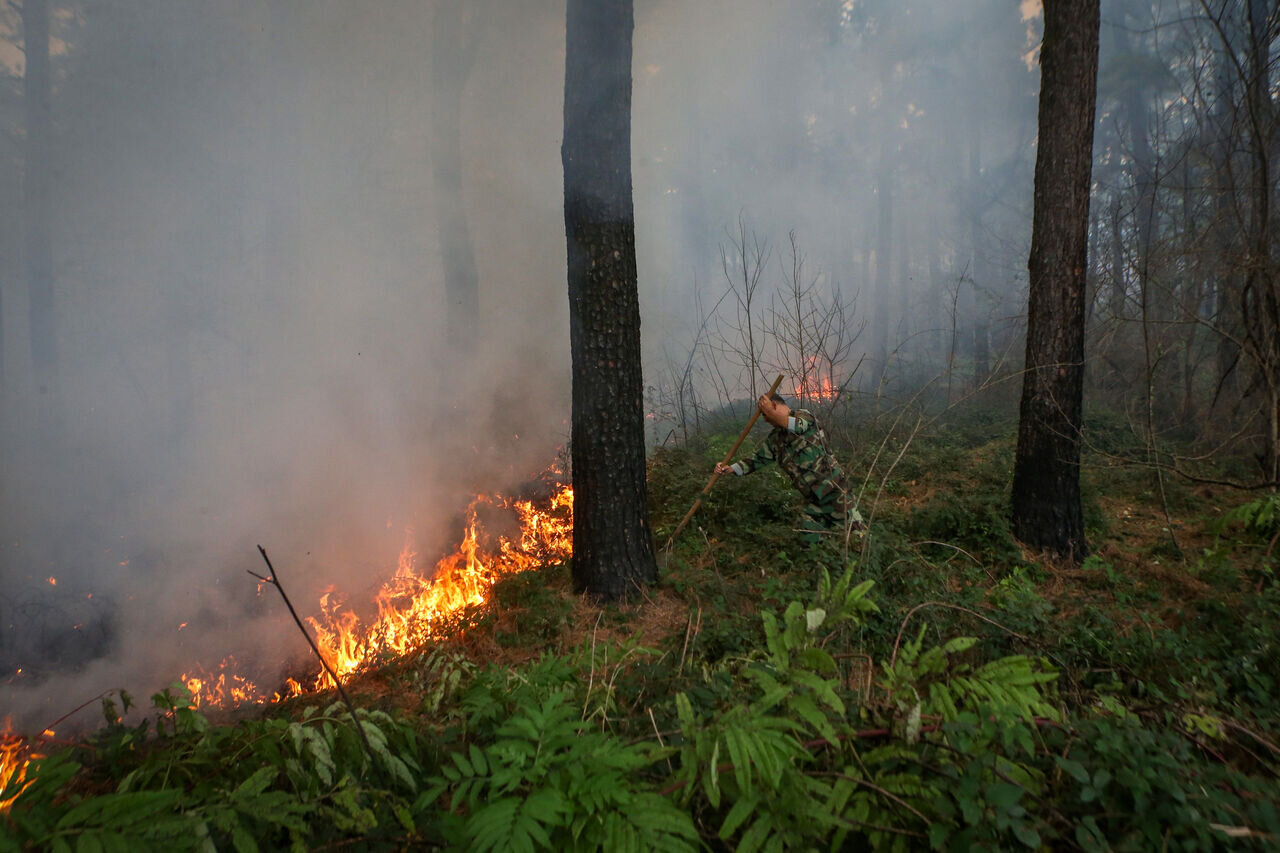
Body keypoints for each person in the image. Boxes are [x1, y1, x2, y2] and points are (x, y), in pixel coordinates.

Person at [715, 392, 862, 545]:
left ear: (774, 406)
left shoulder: (804, 417)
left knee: (856, 539)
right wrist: (730, 469)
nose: (765, 420)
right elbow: (756, 460)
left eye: (765, 414)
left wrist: (771, 412)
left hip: (834, 491)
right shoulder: (775, 440)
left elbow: (797, 426)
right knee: (810, 543)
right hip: (812, 500)